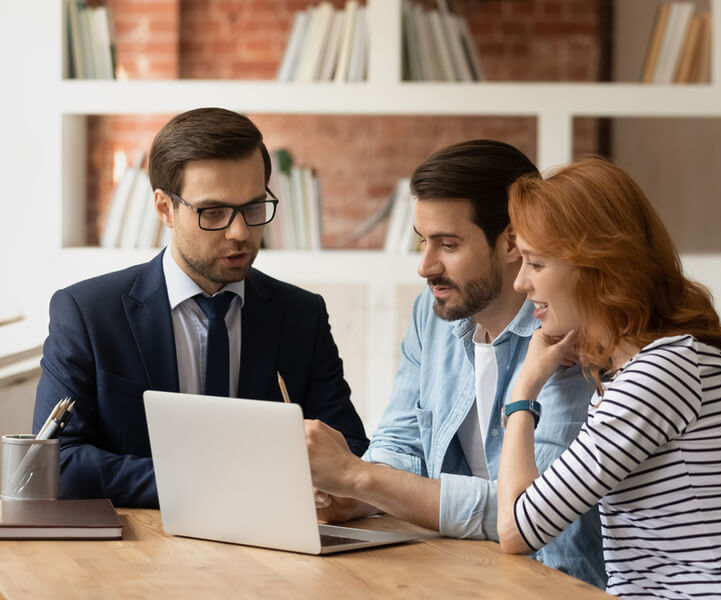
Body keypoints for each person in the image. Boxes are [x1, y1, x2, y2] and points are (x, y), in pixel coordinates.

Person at [304, 140, 606, 587]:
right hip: (456, 570)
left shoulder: (566, 330)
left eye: (448, 244)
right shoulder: (432, 316)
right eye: (422, 241)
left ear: (511, 242)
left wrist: (362, 479)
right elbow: (401, 443)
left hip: (557, 582)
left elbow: (535, 512)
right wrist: (351, 495)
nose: (425, 267)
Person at [33, 107, 368, 507]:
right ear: (164, 209)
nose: (240, 232)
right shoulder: (87, 313)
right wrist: (213, 484)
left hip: (270, 538)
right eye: (214, 212)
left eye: (254, 207)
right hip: (139, 540)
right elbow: (57, 462)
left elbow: (350, 452)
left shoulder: (301, 315)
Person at [497, 157, 721, 598]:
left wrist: (524, 389)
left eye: (536, 264)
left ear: (597, 267)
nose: (520, 283)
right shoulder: (647, 369)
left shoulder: (662, 372)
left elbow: (517, 529)